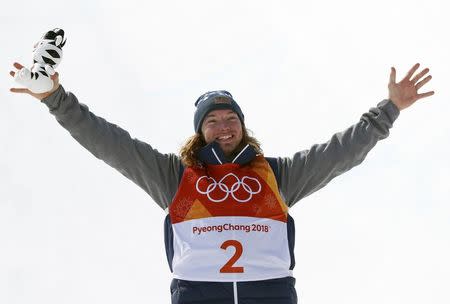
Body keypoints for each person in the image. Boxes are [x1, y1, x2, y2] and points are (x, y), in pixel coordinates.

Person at [9, 62, 434, 304]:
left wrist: (390, 108)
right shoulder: (175, 177)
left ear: (243, 127)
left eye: (231, 119)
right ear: (200, 132)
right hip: (199, 296)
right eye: (212, 121)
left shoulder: (276, 175)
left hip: (270, 295)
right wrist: (55, 99)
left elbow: (340, 152)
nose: (224, 126)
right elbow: (109, 142)